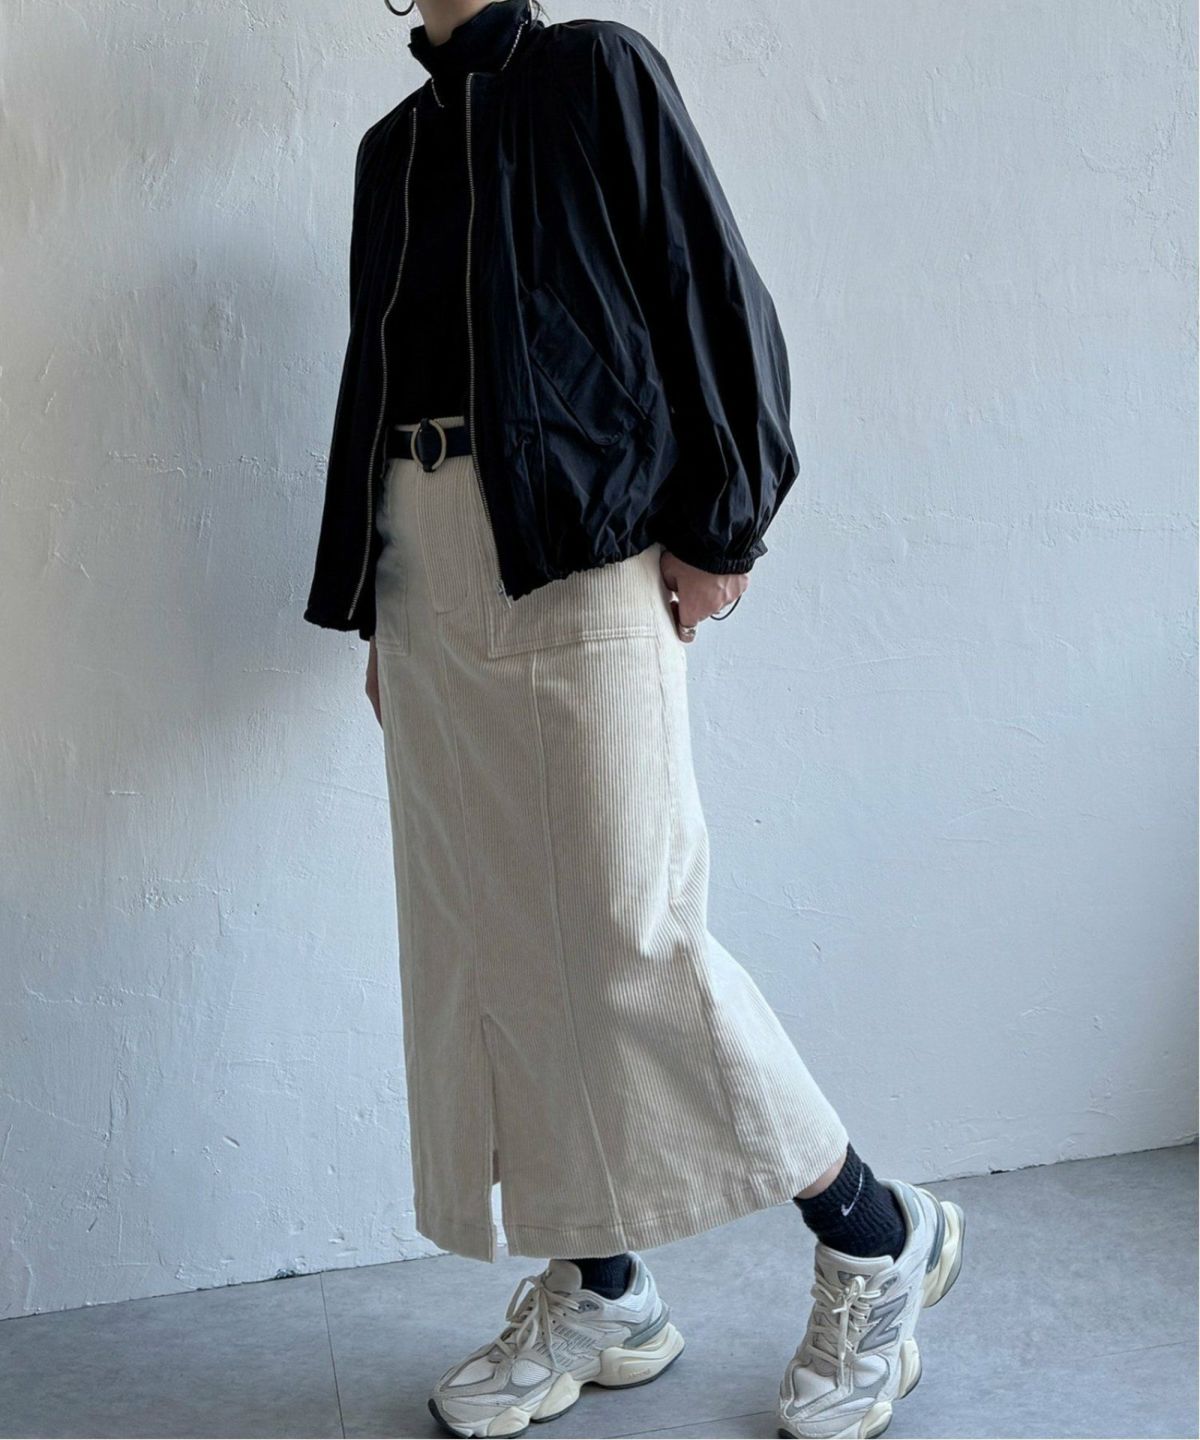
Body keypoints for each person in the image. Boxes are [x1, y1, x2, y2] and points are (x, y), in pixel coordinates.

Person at [302, 3, 966, 1436]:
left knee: (628, 935)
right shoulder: (391, 149)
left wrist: (725, 522)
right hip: (424, 565)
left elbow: (709, 289)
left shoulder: (591, 70)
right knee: (486, 937)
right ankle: (603, 1287)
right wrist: (372, 603)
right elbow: (376, 379)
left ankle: (876, 1232)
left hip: (578, 545)